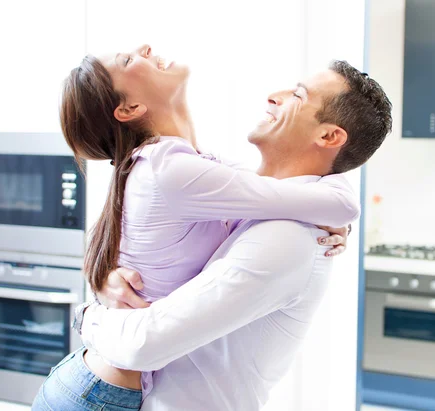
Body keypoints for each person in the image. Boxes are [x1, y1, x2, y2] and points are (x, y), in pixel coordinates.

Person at [31, 44, 365, 411]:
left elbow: (302, 197)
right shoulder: (174, 172)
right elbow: (338, 203)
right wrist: (90, 314)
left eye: (298, 95)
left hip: (98, 385)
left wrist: (322, 208)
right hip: (97, 393)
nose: (143, 47)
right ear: (128, 109)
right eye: (127, 60)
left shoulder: (191, 166)